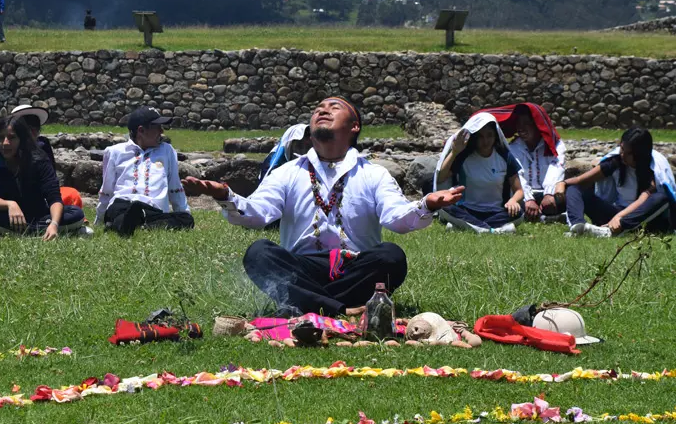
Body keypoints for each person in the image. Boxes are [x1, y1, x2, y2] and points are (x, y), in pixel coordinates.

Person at [182, 96, 464, 318]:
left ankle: (307, 304)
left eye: (334, 107)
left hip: (354, 270)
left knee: (391, 256)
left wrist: (426, 204)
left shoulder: (374, 174)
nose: (323, 110)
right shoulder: (288, 172)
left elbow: (397, 219)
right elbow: (257, 214)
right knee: (259, 253)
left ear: (354, 127)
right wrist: (226, 196)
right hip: (301, 268)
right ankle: (341, 309)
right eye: (318, 108)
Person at [0, 116, 85, 239]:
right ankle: (56, 232)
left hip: (39, 214)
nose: (5, 143)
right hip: (7, 213)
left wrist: (54, 224)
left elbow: (54, 197)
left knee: (76, 213)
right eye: (1, 138)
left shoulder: (39, 158)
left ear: (21, 139)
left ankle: (20, 233)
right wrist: (10, 204)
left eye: (12, 138)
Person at [95, 106, 194, 236]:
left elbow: (174, 186)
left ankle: (135, 224)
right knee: (121, 212)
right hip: (122, 204)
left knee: (185, 219)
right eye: (157, 127)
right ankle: (127, 222)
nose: (161, 131)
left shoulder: (167, 151)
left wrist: (184, 212)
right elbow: (107, 189)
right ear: (141, 130)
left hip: (152, 209)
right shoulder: (115, 152)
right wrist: (99, 219)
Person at [559, 127, 674, 237]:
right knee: (575, 189)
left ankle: (610, 231)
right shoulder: (615, 162)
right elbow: (581, 180)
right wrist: (563, 183)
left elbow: (642, 200)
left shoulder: (653, 169)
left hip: (645, 219)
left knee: (661, 198)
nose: (622, 154)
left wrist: (619, 217)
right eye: (622, 149)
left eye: (628, 153)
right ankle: (579, 227)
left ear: (639, 155)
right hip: (616, 215)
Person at [434, 112, 526, 234]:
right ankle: (494, 230)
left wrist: (513, 201)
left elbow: (519, 190)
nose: (485, 141)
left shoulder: (505, 157)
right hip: (468, 210)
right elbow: (441, 178)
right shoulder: (464, 156)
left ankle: (468, 227)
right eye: (481, 137)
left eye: (489, 136)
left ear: (496, 136)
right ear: (474, 137)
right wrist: (454, 152)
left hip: (496, 213)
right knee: (444, 207)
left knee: (519, 213)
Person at [481, 103, 566, 222]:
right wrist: (528, 199)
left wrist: (549, 194)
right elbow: (518, 173)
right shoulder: (514, 147)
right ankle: (545, 217)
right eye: (518, 124)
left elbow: (556, 169)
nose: (521, 128)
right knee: (509, 201)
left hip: (547, 194)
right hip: (523, 195)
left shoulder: (555, 145)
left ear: (537, 125)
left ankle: (542, 215)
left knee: (568, 193)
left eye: (526, 123)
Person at [10, 104, 87, 212]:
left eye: (36, 127)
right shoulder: (9, 146)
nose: (33, 132)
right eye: (28, 127)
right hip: (16, 197)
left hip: (43, 194)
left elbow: (51, 175)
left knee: (72, 194)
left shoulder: (43, 144)